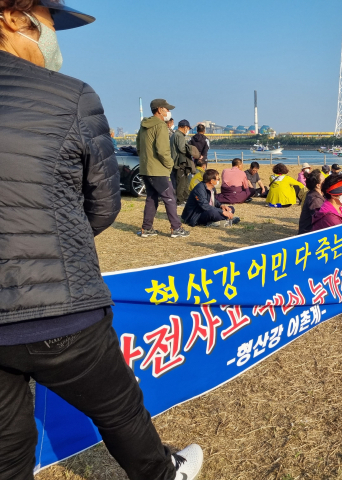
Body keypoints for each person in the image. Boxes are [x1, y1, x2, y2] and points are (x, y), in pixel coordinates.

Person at [0, 2, 202, 479]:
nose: (54, 41)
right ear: (11, 16)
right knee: (120, 409)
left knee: (6, 443)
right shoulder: (70, 97)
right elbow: (104, 202)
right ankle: (163, 473)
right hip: (58, 304)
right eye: (50, 25)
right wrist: (57, 239)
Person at [137, 99, 190, 238]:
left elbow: (138, 147)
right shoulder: (160, 126)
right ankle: (176, 228)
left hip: (145, 168)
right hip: (158, 169)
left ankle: (146, 228)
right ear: (159, 109)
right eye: (167, 109)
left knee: (151, 197)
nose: (168, 112)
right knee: (170, 197)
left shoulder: (143, 125)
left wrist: (146, 160)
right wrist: (169, 164)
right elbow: (162, 150)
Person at [171, 119, 196, 205]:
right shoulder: (179, 135)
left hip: (176, 162)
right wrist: (190, 151)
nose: (188, 130)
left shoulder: (175, 135)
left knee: (183, 181)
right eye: (188, 128)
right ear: (185, 127)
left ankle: (185, 199)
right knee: (181, 183)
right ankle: (180, 200)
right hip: (179, 163)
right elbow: (182, 149)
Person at [298, 169, 325, 234]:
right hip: (309, 234)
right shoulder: (315, 199)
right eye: (324, 181)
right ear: (318, 185)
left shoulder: (314, 194)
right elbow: (321, 220)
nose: (327, 182)